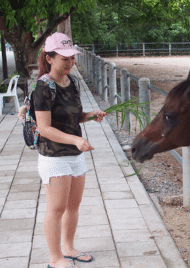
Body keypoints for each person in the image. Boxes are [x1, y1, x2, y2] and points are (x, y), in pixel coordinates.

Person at [35, 32, 107, 268]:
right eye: (64, 58)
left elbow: (74, 117)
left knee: (72, 206)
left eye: (72, 57)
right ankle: (55, 258)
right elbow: (44, 128)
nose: (70, 62)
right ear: (49, 58)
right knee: (56, 208)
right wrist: (75, 140)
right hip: (54, 156)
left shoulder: (72, 82)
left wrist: (90, 116)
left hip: (76, 156)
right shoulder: (43, 87)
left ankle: (69, 247)